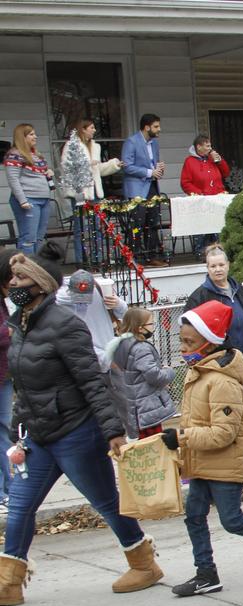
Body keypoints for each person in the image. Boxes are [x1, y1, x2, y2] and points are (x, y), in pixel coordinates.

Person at [0, 251, 163, 606]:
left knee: (107, 503)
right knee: (19, 508)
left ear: (41, 285)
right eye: (12, 280)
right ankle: (8, 584)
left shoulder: (65, 325)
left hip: (78, 433)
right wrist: (18, 429)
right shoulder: (20, 324)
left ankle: (144, 564)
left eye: (21, 280)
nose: (13, 285)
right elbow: (24, 386)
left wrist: (113, 432)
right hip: (40, 437)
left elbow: (93, 382)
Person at [162, 300, 243, 596]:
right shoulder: (197, 372)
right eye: (181, 341)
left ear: (209, 342)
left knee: (232, 521)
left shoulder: (223, 382)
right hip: (201, 463)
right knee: (194, 516)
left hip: (225, 465)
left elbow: (223, 434)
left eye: (188, 342)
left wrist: (181, 437)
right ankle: (206, 574)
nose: (182, 348)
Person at [55, 267, 130, 431]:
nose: (84, 300)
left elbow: (125, 316)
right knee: (97, 413)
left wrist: (117, 304)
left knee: (126, 408)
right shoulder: (58, 302)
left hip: (111, 360)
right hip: (86, 364)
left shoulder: (100, 289)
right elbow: (71, 339)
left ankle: (131, 440)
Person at [185, 245, 243, 377]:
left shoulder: (240, 291)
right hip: (217, 365)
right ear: (207, 268)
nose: (218, 269)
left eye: (221, 265)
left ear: (228, 265)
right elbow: (189, 333)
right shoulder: (199, 297)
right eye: (213, 266)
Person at [105, 307, 175, 440]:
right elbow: (153, 375)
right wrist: (169, 372)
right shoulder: (141, 348)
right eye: (151, 324)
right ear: (140, 328)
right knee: (154, 442)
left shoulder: (123, 345)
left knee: (143, 441)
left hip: (136, 405)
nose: (154, 327)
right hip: (147, 406)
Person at [60, 118, 122, 263]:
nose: (94, 130)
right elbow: (66, 167)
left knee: (98, 226)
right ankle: (82, 260)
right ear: (83, 129)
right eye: (92, 128)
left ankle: (98, 258)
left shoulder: (95, 146)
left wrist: (114, 165)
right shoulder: (71, 145)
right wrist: (88, 164)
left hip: (95, 191)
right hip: (80, 192)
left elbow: (98, 170)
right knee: (81, 228)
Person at [121, 113, 166, 267]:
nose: (159, 129)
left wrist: (159, 169)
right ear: (147, 127)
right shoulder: (132, 142)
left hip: (152, 186)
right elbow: (126, 166)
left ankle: (152, 255)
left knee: (153, 222)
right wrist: (149, 172)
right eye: (156, 126)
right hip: (137, 188)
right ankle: (135, 258)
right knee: (137, 224)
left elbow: (153, 165)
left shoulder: (154, 143)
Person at [3, 124, 54, 255]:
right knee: (28, 238)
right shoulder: (14, 154)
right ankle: (27, 271)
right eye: (31, 134)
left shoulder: (35, 154)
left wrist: (47, 172)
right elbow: (13, 179)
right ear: (22, 137)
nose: (35, 136)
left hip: (43, 199)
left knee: (39, 238)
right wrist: (22, 200)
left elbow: (36, 173)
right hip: (28, 199)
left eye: (34, 134)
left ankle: (37, 268)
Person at [180, 134, 231, 258]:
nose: (210, 148)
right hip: (201, 200)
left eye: (210, 145)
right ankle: (202, 253)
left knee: (219, 227)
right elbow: (185, 182)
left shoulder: (212, 159)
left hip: (217, 199)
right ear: (199, 147)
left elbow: (226, 173)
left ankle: (221, 252)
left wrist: (219, 160)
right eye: (207, 145)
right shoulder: (190, 161)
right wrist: (199, 193)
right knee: (202, 228)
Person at [0, 248, 16, 514]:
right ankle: (7, 488)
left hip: (6, 374)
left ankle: (9, 487)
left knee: (4, 430)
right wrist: (14, 330)